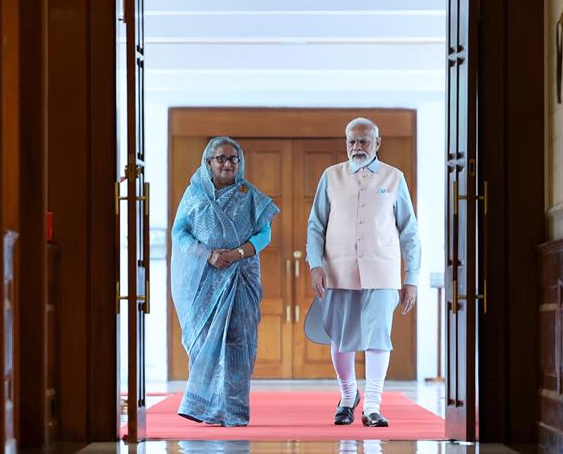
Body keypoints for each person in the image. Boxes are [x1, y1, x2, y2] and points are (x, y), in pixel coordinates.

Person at [305, 117, 420, 428]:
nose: (357, 147)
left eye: (363, 141)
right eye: (351, 141)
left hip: (382, 271)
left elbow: (409, 231)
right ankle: (347, 396)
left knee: (378, 337)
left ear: (377, 143)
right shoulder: (331, 177)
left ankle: (372, 405)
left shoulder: (395, 179)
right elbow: (316, 225)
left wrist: (411, 278)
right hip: (338, 270)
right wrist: (315, 264)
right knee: (341, 339)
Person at [171, 136, 279, 426]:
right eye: (221, 158)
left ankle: (233, 410)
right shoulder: (194, 195)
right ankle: (204, 407)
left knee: (238, 340)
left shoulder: (251, 197)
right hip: (203, 278)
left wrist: (237, 254)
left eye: (233, 159)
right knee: (204, 339)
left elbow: (264, 234)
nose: (228, 164)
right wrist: (207, 255)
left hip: (240, 277)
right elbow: (179, 233)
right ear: (209, 162)